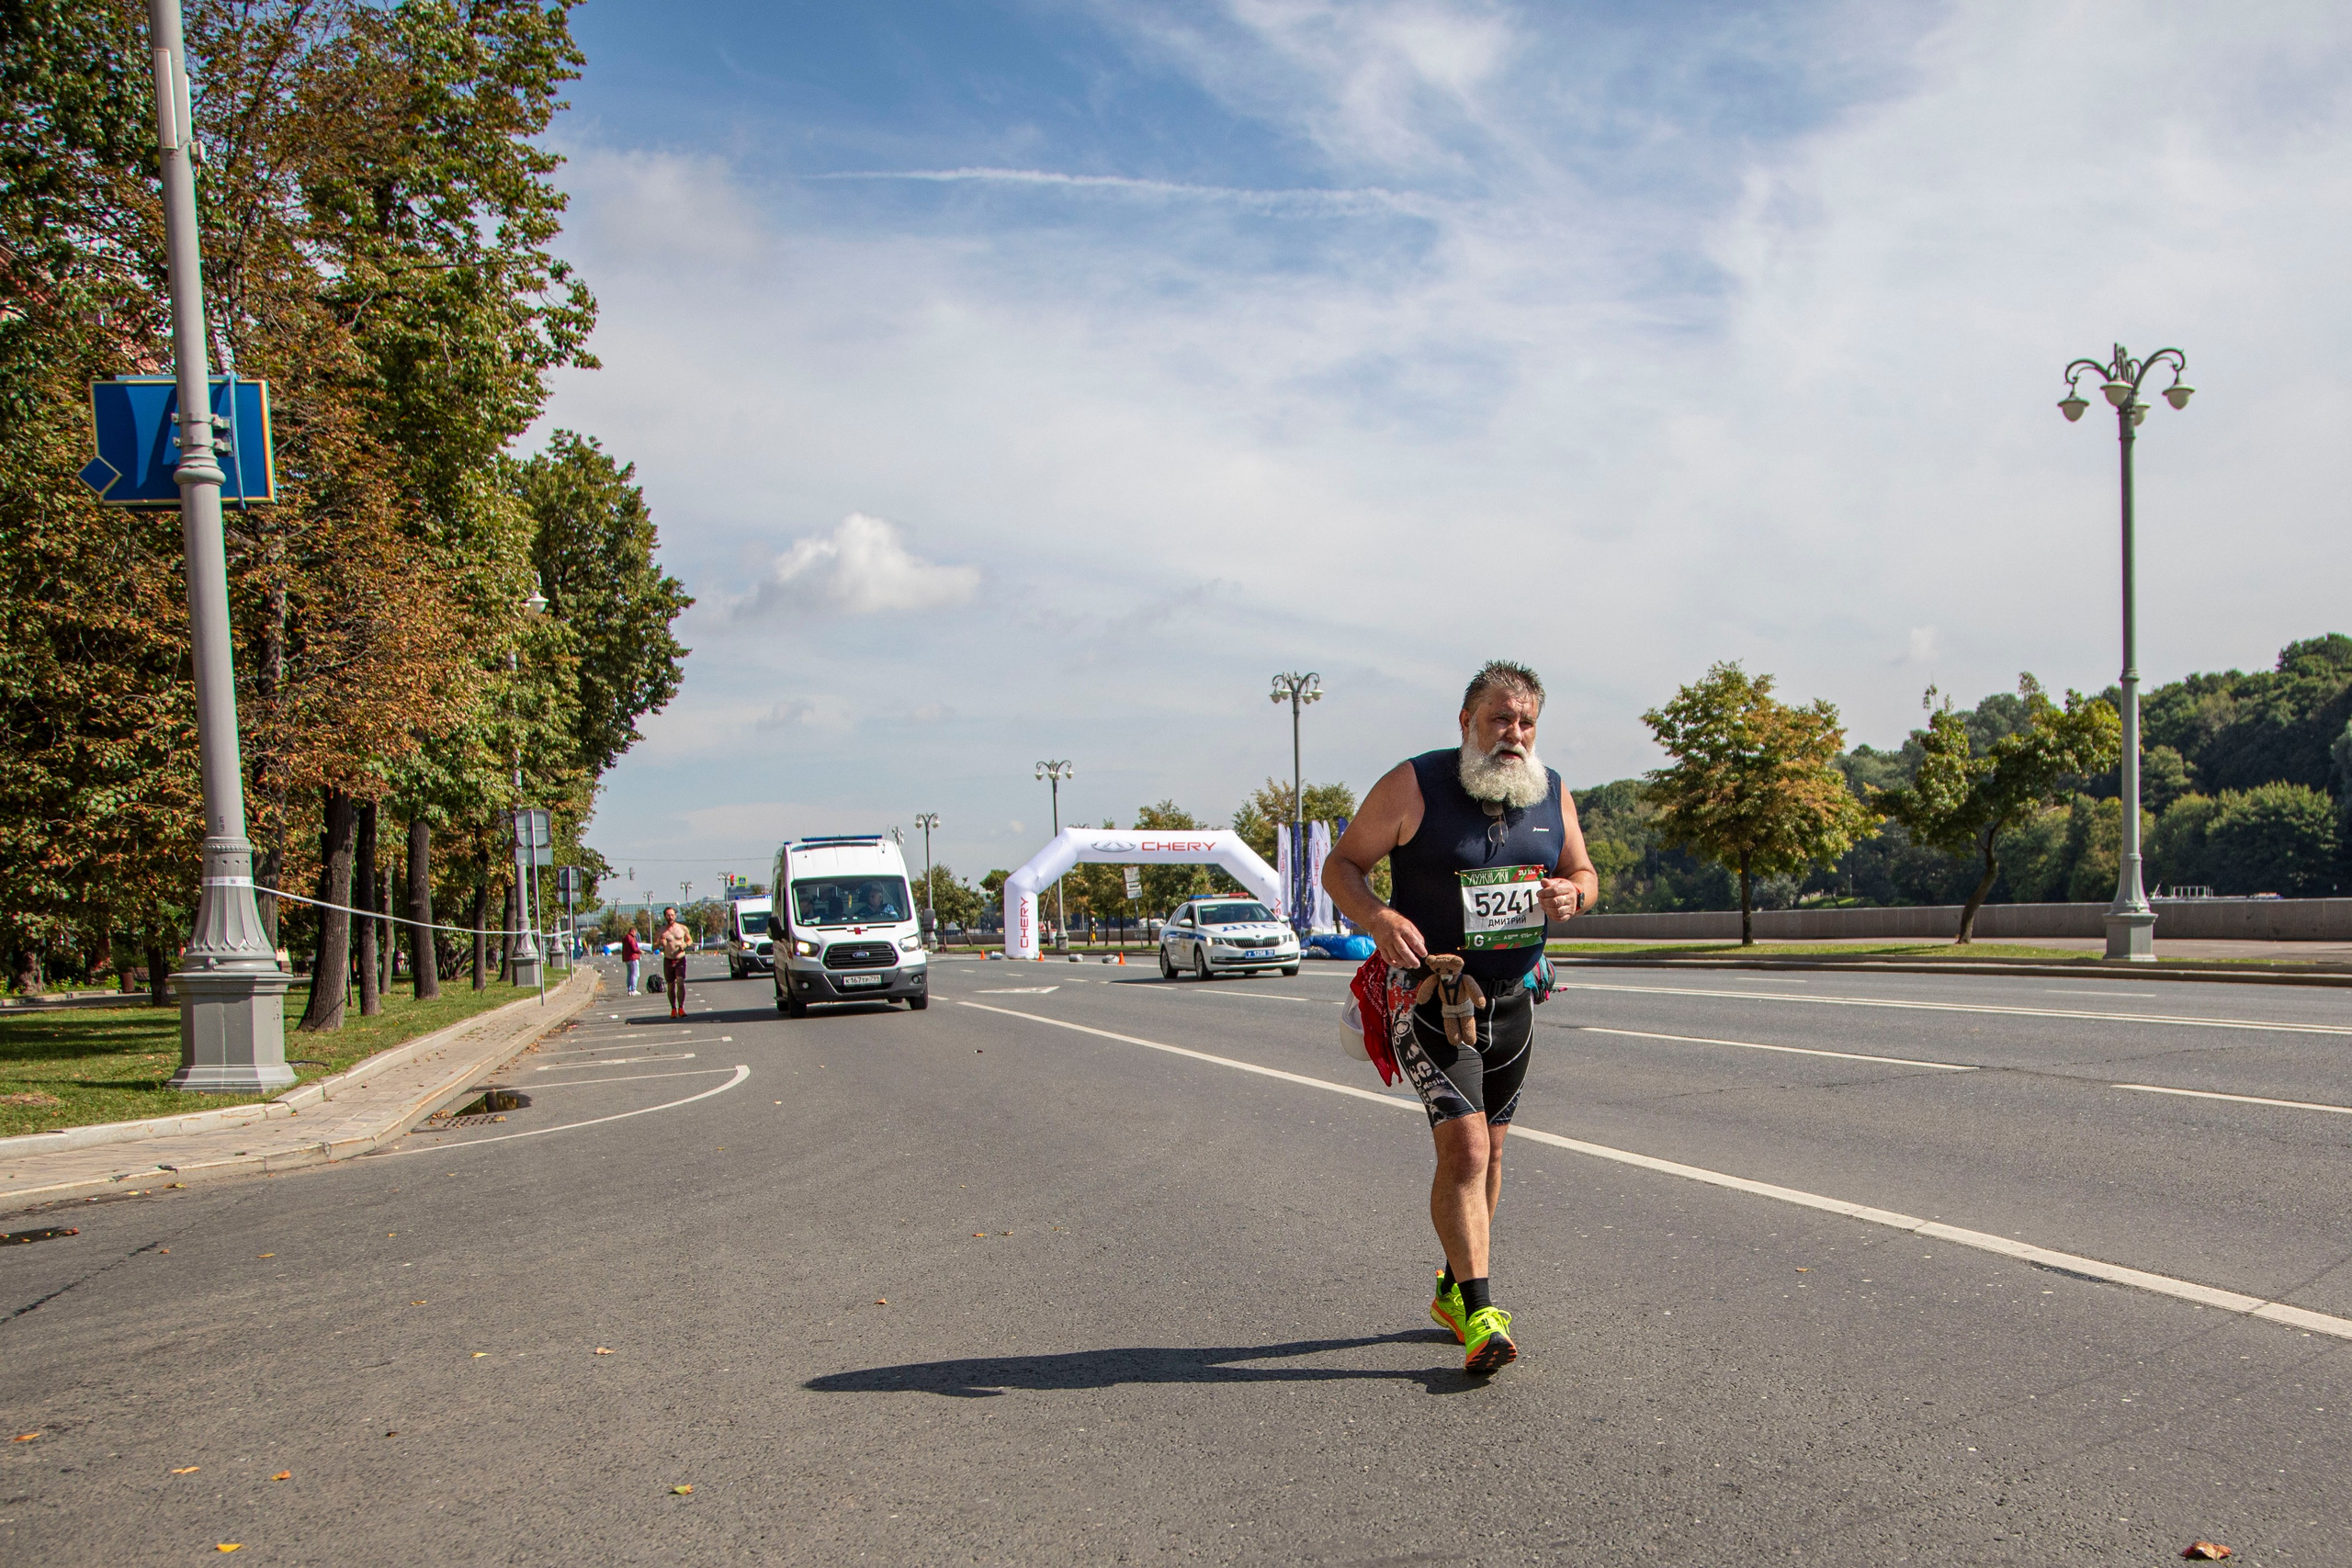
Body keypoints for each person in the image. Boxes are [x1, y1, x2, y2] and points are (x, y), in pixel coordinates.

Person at [1323, 660, 1598, 1375]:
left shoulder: (1552, 789)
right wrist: (1380, 916)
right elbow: (1342, 865)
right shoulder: (1416, 784)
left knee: (1495, 1153)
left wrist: (1575, 893)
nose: (1515, 733)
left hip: (1512, 999)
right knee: (1467, 1150)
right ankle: (1480, 1310)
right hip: (1433, 997)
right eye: (1501, 718)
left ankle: (1452, 1286)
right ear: (1467, 722)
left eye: (1527, 721)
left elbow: (1586, 872)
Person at [655, 906, 695, 1021]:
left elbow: (689, 940)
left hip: (680, 959)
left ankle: (681, 1007)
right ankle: (673, 1008)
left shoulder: (682, 928)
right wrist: (660, 944)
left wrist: (685, 945)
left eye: (672, 915)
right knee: (671, 985)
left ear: (675, 915)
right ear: (665, 916)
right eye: (668, 915)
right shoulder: (661, 930)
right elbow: (654, 946)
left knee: (680, 982)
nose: (670, 917)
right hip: (668, 960)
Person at [620, 923, 642, 996]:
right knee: (635, 974)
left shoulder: (625, 938)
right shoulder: (631, 938)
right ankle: (634, 989)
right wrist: (640, 951)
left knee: (629, 974)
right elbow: (634, 948)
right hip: (633, 957)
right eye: (635, 932)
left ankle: (629, 990)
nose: (635, 934)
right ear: (633, 931)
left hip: (627, 958)